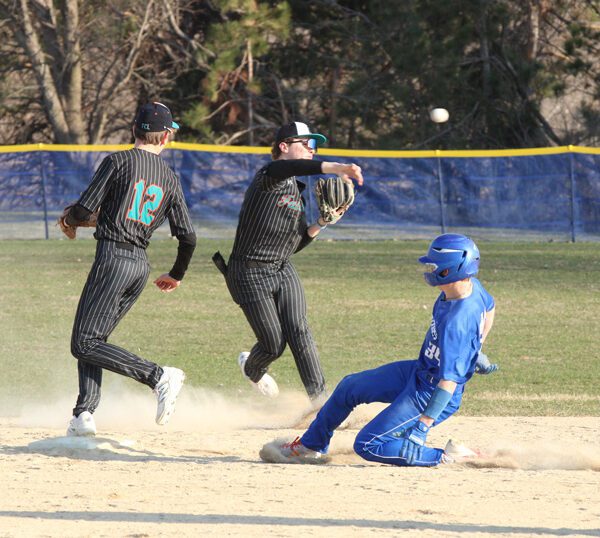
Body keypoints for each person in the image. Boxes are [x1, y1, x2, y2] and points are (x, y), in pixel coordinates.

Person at [263, 233, 497, 466]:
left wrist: (423, 426)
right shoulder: (469, 286)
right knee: (349, 387)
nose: (430, 270)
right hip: (418, 372)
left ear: (453, 269)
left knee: (368, 444)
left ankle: (450, 456)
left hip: (431, 393)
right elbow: (489, 307)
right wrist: (476, 348)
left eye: (436, 266)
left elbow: (449, 383)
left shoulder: (458, 322)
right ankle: (311, 445)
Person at [64, 102, 196, 437]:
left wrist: (69, 220)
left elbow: (83, 210)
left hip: (113, 259)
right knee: (95, 338)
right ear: (165, 137)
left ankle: (158, 376)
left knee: (83, 342)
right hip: (139, 265)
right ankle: (84, 415)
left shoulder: (118, 161)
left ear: (133, 131)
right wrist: (177, 274)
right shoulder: (169, 177)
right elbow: (189, 237)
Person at [218, 121, 363, 405]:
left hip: (282, 268)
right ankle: (253, 368)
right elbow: (285, 168)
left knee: (299, 330)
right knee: (273, 344)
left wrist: (322, 222)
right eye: (306, 144)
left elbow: (294, 244)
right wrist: (334, 167)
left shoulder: (295, 192)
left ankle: (321, 402)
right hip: (248, 272)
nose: (312, 149)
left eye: (315, 146)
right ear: (284, 147)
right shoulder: (268, 176)